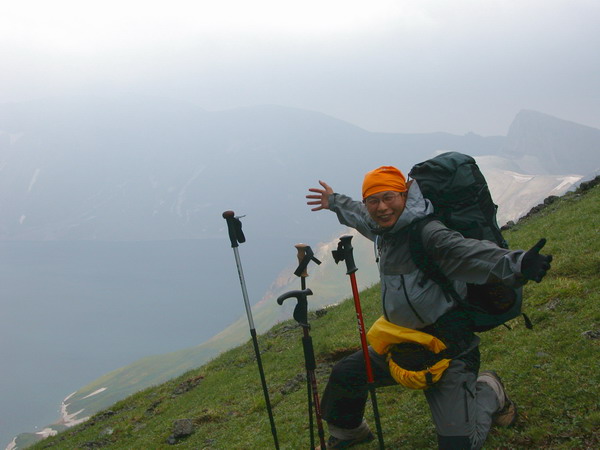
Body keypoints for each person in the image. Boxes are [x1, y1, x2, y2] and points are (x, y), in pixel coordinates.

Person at [306, 166, 552, 449]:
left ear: (404, 195)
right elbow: (359, 215)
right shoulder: (382, 229)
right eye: (373, 200)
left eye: (388, 198)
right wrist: (334, 201)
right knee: (346, 374)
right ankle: (350, 433)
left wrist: (518, 263)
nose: (381, 207)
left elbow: (467, 252)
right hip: (404, 343)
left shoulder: (429, 233)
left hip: (449, 350)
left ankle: (489, 391)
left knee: (459, 445)